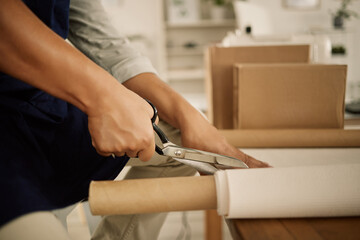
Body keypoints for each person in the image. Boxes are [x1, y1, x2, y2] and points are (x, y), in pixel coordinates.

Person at [0, 0, 269, 239]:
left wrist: (194, 121)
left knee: (180, 142)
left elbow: (111, 47)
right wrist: (102, 97)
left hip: (40, 107)